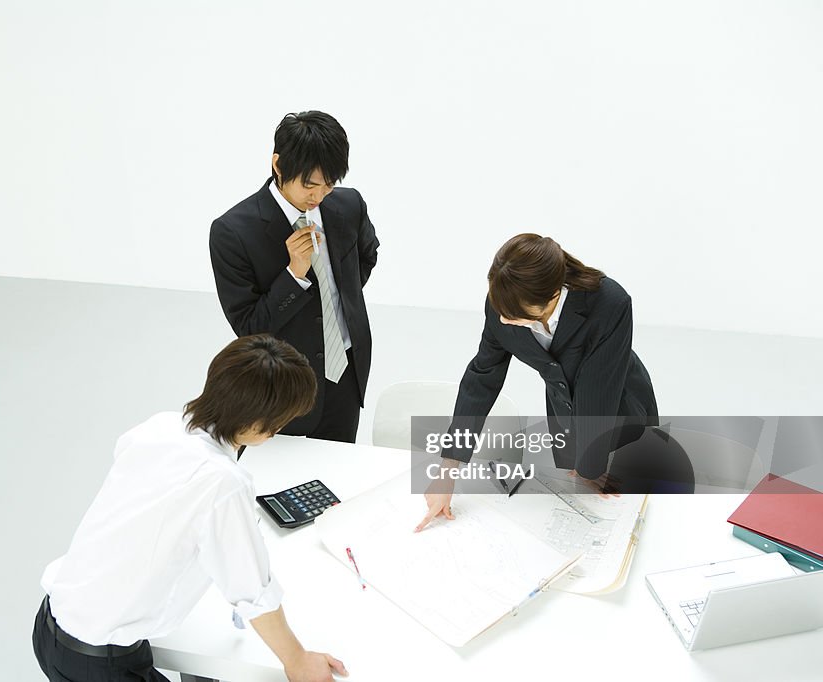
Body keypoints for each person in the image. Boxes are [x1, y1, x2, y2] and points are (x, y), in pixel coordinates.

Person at [32, 335, 348, 682]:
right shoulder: (223, 483)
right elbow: (253, 594)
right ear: (260, 424)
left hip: (50, 625)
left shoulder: (160, 425)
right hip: (101, 662)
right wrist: (299, 661)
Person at [417, 234, 659, 531]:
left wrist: (590, 467)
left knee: (629, 516)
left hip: (621, 414)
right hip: (566, 414)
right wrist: (448, 469)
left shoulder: (609, 302)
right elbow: (481, 379)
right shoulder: (503, 304)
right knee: (576, 514)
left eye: (513, 316)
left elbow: (599, 391)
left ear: (552, 297)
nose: (503, 321)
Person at [209, 111, 380, 443]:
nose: (318, 196)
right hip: (279, 385)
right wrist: (294, 274)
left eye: (329, 184)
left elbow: (366, 256)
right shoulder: (233, 232)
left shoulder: (349, 206)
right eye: (309, 185)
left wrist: (340, 294)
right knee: (273, 486)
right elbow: (249, 328)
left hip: (344, 372)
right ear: (278, 165)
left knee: (337, 484)